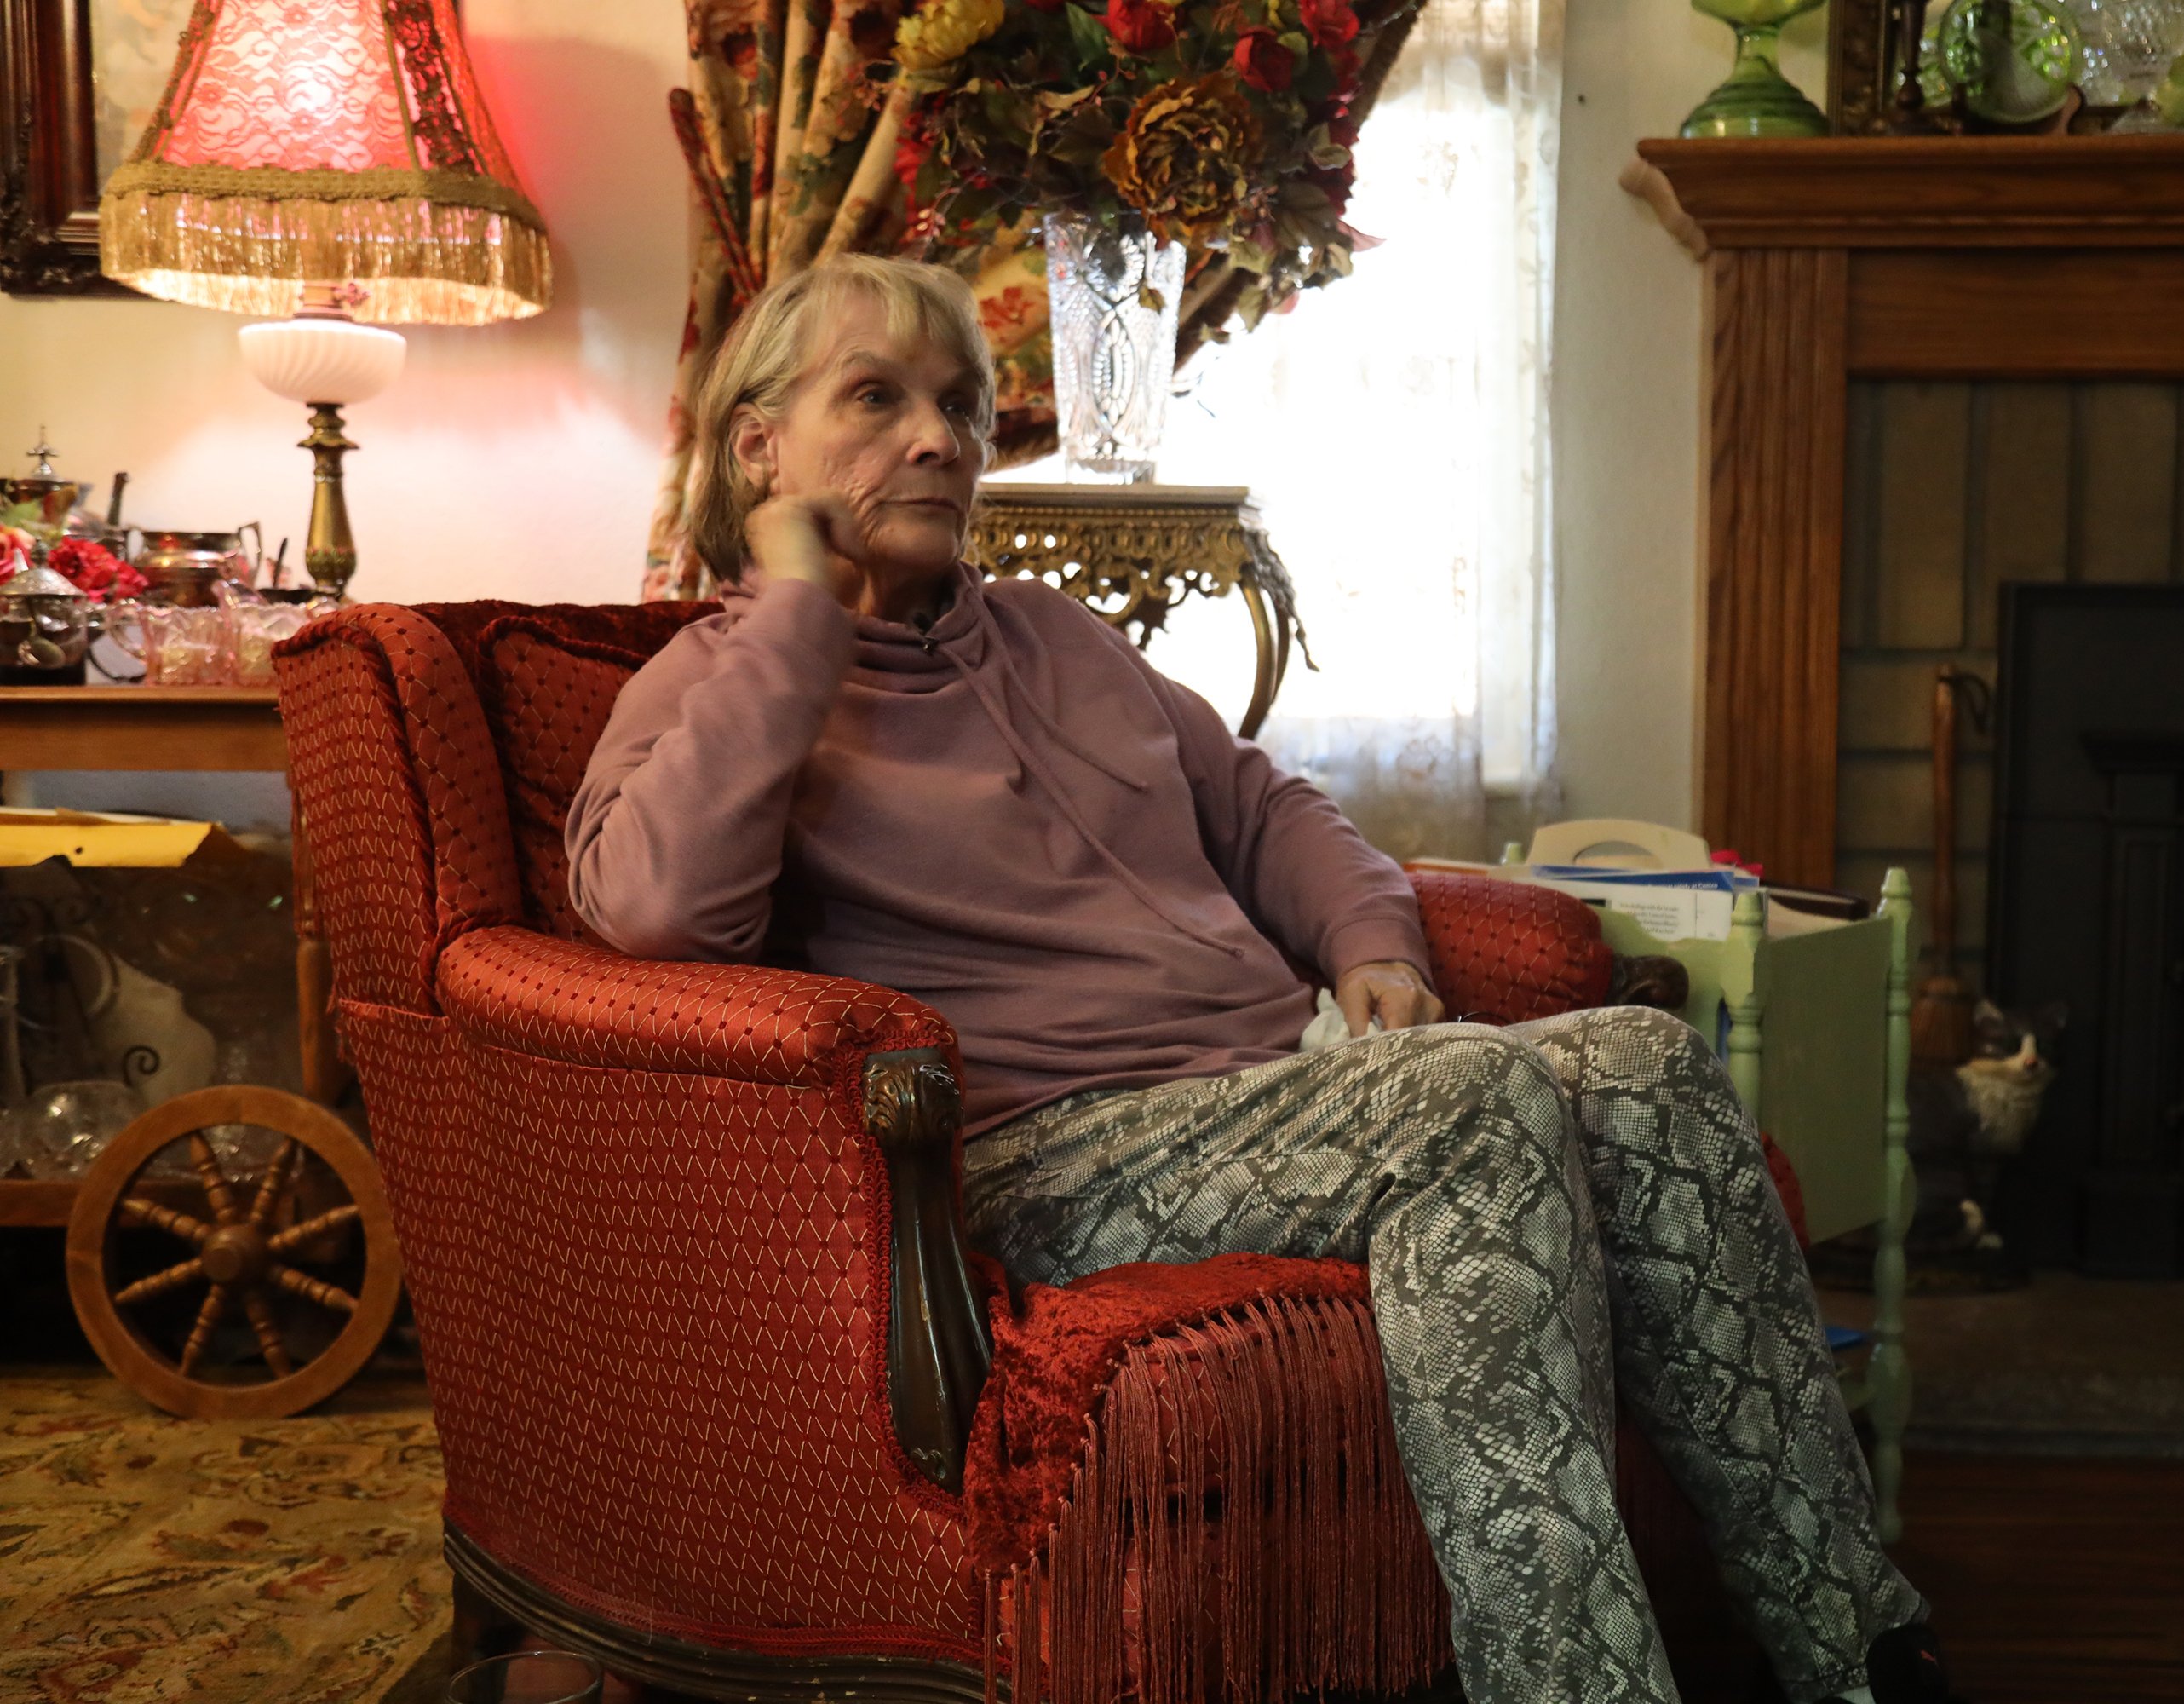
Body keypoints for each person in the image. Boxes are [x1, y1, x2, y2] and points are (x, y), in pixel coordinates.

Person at [565, 254, 1953, 1704]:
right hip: (1037, 1151)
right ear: (758, 449)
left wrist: (1374, 948)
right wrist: (799, 612)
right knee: (1466, 1103)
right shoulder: (715, 685)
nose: (940, 438)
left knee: (1648, 1067)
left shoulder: (1059, 639)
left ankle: (1857, 1647)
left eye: (961, 404)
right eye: (876, 397)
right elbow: (659, 920)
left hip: (1264, 1098)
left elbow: (1277, 812)